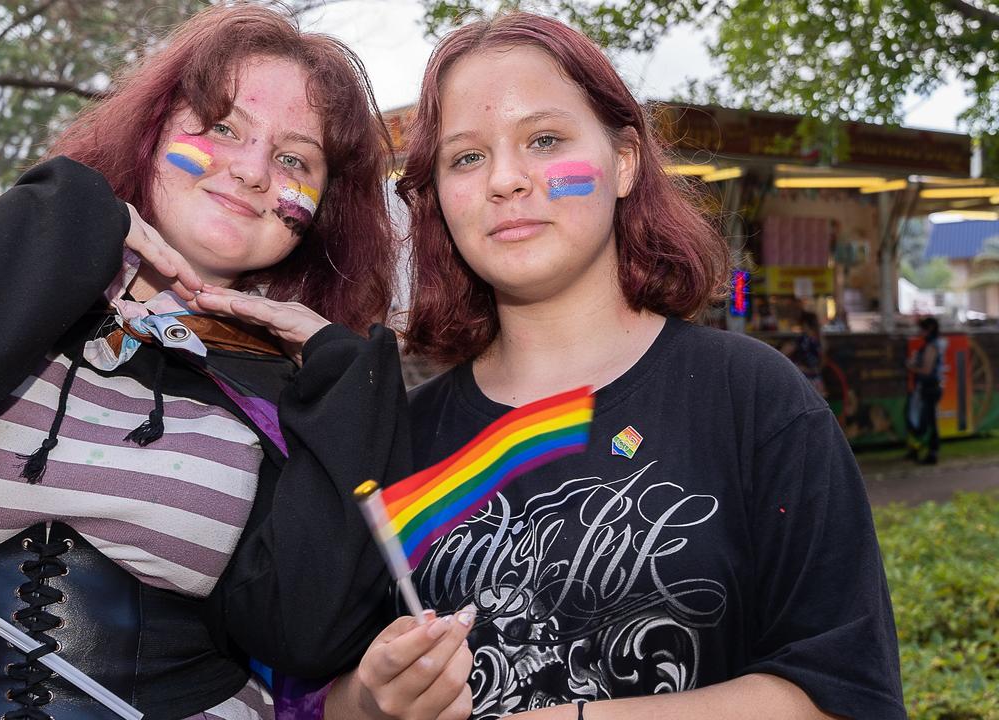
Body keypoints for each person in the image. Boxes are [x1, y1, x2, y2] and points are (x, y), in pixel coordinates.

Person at [0, 6, 410, 719]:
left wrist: (344, 380)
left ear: (324, 205)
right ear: (152, 130)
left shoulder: (291, 386)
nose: (253, 170)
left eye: (295, 157)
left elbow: (306, 634)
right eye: (223, 127)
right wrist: (79, 216)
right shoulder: (8, 279)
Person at [326, 13, 904, 720]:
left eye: (544, 140)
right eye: (466, 158)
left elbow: (844, 693)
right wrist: (371, 700)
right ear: (438, 197)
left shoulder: (754, 400)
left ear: (624, 161)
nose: (506, 179)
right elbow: (324, 695)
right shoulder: (400, 438)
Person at [905, 316, 945, 465]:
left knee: (927, 422)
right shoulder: (930, 345)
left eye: (922, 329)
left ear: (929, 329)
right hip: (929, 388)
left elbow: (927, 370)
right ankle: (923, 451)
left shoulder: (931, 346)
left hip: (929, 388)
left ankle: (932, 453)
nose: (919, 331)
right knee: (923, 421)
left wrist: (911, 366)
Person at [782, 310, 825, 397]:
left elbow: (784, 352)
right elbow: (822, 362)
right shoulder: (820, 340)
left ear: (805, 324)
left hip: (803, 379)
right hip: (817, 380)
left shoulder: (803, 340)